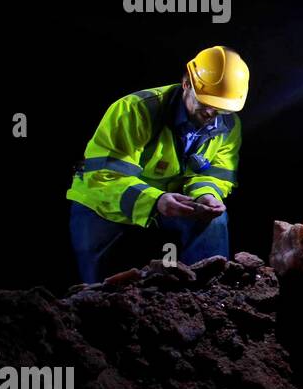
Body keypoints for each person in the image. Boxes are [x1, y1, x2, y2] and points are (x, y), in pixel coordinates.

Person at [66, 46, 248, 283]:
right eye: (206, 102)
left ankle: (208, 296)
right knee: (104, 291)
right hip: (104, 202)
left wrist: (206, 195)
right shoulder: (136, 110)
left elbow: (216, 174)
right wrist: (155, 201)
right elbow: (105, 175)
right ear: (186, 84)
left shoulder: (229, 126)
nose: (212, 113)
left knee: (214, 220)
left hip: (168, 202)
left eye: (222, 107)